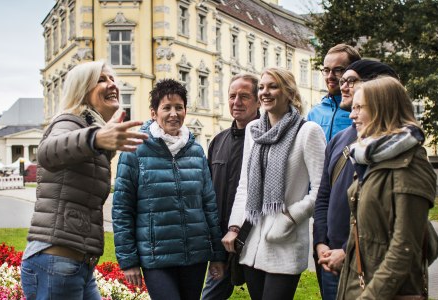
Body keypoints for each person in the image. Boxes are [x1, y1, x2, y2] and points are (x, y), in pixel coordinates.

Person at [20, 61, 148, 300]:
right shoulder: (69, 121)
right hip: (56, 261)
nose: (112, 85)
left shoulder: (90, 130)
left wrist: (101, 139)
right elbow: (47, 152)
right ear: (82, 90)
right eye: (101, 80)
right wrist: (97, 137)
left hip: (77, 264)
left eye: (112, 79)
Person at [112, 79, 226, 300]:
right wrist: (129, 260)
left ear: (185, 110)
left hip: (195, 255)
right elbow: (122, 209)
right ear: (154, 113)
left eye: (179, 107)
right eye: (166, 107)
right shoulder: (134, 150)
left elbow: (209, 205)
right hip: (156, 257)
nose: (173, 113)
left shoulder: (196, 151)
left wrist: (217, 255)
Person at [222, 67, 326, 300]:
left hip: (285, 240)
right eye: (261, 87)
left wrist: (290, 218)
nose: (265, 92)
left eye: (273, 86)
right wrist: (234, 227)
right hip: (252, 243)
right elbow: (245, 185)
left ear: (289, 93)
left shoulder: (308, 132)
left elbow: (322, 190)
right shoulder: (254, 130)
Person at [337, 76, 436, 299]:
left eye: (359, 107)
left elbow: (404, 248)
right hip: (358, 285)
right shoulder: (370, 158)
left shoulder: (410, 163)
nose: (352, 115)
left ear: (383, 109)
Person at [313, 60, 399, 300]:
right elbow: (323, 196)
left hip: (368, 262)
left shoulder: (392, 145)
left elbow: (388, 216)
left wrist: (347, 250)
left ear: (374, 86)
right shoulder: (338, 140)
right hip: (330, 258)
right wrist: (321, 243)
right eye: (342, 82)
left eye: (351, 81)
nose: (343, 86)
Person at [201, 73, 261, 300]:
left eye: (244, 96)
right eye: (232, 96)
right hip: (223, 242)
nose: (237, 102)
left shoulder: (266, 139)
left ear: (257, 101)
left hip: (255, 239)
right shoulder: (218, 141)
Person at [307, 44, 361, 141]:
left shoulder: (363, 111)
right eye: (326, 70)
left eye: (338, 70)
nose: (330, 76)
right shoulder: (314, 113)